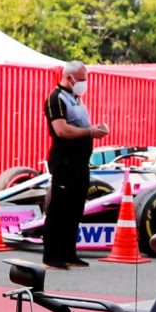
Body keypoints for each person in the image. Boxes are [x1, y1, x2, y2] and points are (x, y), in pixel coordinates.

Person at [40, 60, 106, 269]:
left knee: (75, 209)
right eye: (81, 79)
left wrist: (95, 129)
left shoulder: (77, 100)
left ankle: (69, 253)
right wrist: (90, 132)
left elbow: (80, 125)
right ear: (69, 78)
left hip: (80, 162)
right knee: (59, 208)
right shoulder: (56, 99)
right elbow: (62, 130)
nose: (84, 83)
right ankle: (51, 255)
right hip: (65, 162)